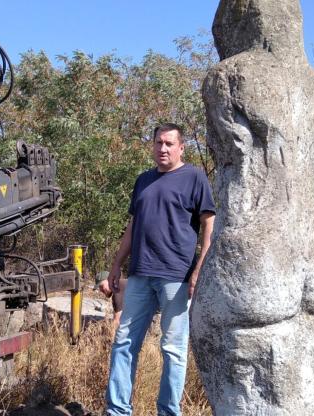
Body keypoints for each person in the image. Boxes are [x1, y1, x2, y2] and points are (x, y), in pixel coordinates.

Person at [104, 123, 215, 416]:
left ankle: (168, 412)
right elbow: (132, 225)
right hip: (140, 274)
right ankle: (117, 411)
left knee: (173, 350)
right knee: (124, 343)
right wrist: (116, 264)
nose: (162, 148)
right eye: (158, 143)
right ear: (152, 145)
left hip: (176, 277)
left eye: (169, 143)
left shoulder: (194, 177)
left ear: (181, 147)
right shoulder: (143, 180)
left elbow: (208, 224)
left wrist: (199, 269)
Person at [96, 271, 128, 337]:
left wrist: (107, 337)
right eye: (99, 288)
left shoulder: (117, 292)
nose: (101, 290)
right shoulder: (120, 285)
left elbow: (117, 322)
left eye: (102, 286)